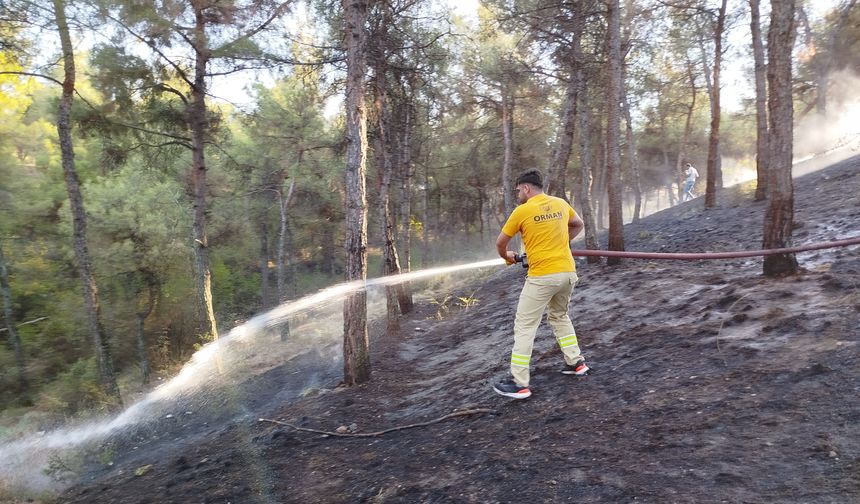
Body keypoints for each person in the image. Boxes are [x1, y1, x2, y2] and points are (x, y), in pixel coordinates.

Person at [492, 169, 589, 399]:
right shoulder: (560, 203)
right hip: (567, 272)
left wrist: (508, 257)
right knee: (559, 316)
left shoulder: (522, 211)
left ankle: (519, 383)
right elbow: (578, 223)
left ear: (526, 188)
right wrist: (561, 241)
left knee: (525, 325)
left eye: (518, 190)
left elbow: (500, 243)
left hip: (542, 277)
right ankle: (576, 362)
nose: (518, 194)